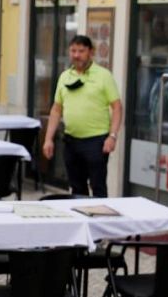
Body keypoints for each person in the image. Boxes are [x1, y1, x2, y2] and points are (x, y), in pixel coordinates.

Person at [41, 34, 122, 197]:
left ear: (91, 52)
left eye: (81, 51)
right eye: (73, 51)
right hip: (71, 141)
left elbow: (117, 107)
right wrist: (48, 139)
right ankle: (81, 220)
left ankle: (100, 221)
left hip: (96, 141)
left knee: (98, 186)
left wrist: (112, 136)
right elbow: (56, 110)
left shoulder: (103, 75)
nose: (76, 55)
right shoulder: (65, 77)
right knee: (76, 188)